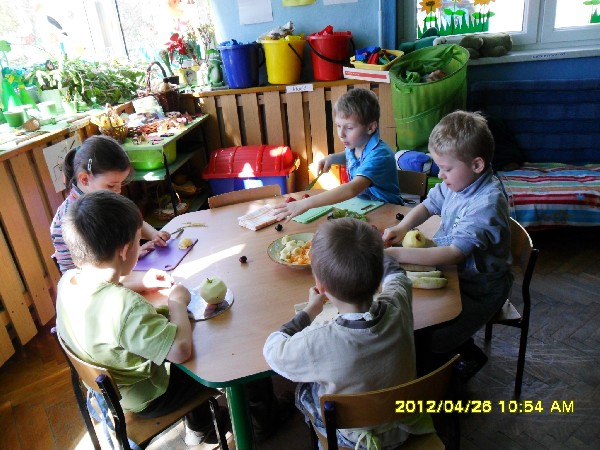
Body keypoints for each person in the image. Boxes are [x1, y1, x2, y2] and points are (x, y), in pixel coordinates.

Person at [55, 190, 227, 446]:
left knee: (175, 333)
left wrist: (139, 281)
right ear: (125, 251)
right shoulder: (125, 307)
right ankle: (260, 420)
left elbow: (102, 292)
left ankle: (200, 426)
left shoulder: (68, 281)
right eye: (138, 241)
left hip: (113, 389)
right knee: (222, 347)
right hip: (150, 396)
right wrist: (176, 302)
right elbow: (180, 351)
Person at [263, 218, 433, 449]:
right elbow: (397, 275)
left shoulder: (318, 342)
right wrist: (374, 249)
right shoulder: (398, 301)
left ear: (320, 287)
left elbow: (273, 349)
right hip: (404, 425)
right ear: (377, 281)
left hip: (354, 439)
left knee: (305, 389)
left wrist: (309, 311)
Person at [382, 110, 513, 380]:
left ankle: (463, 358)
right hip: (455, 274)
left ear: (477, 165)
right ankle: (444, 355)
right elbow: (429, 205)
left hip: (479, 288)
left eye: (446, 168)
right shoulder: (459, 182)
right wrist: (401, 229)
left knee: (429, 334)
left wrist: (395, 254)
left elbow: (454, 254)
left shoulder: (486, 203)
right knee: (415, 317)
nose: (440, 175)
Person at [272, 88, 403, 221]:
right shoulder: (356, 144)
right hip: (366, 207)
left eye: (349, 128)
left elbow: (352, 189)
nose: (341, 134)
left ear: (370, 127)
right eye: (338, 126)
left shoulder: (379, 155)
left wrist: (306, 203)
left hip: (389, 213)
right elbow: (351, 157)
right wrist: (332, 158)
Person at [50, 135, 170, 275]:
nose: (118, 191)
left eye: (121, 184)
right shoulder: (69, 219)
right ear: (84, 179)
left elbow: (129, 220)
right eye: (111, 185)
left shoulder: (102, 196)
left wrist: (154, 235)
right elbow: (74, 277)